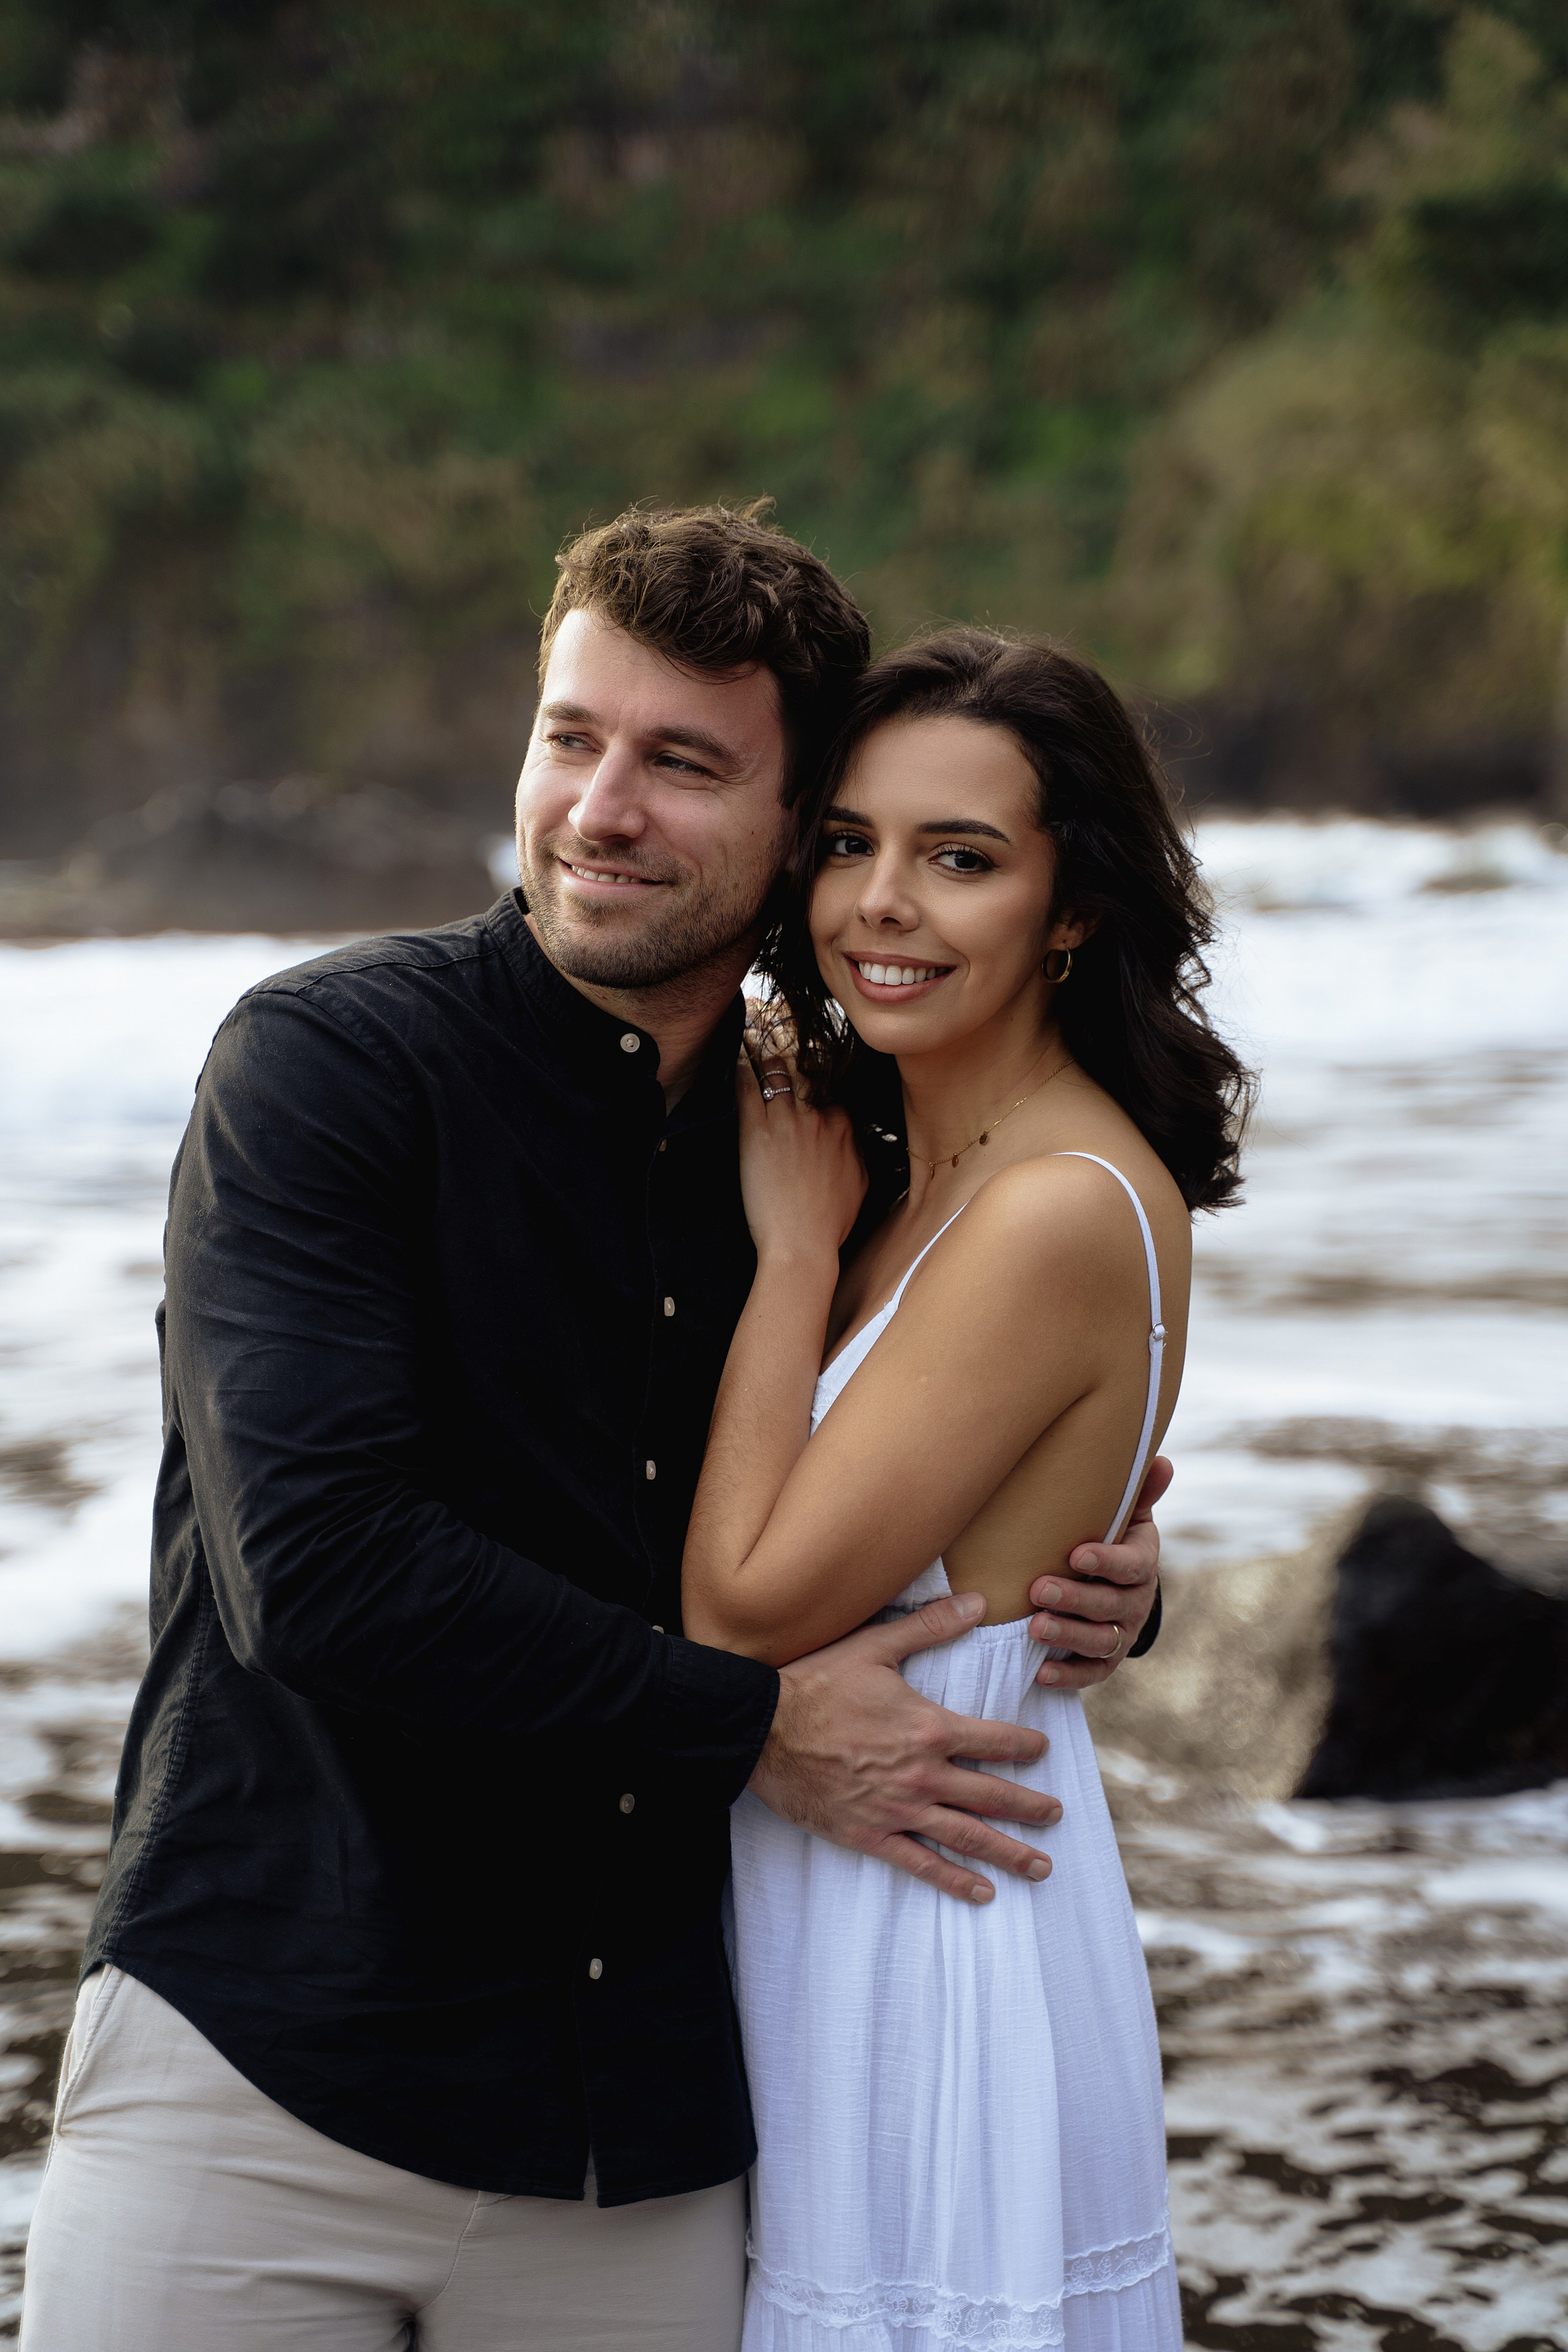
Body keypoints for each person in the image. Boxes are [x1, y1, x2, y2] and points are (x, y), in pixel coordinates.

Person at [20, 509, 1165, 2352]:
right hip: (261, 2082)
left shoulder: (839, 1159)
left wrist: (1093, 1576)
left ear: (794, 834)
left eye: (683, 763)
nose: (601, 807)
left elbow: (924, 1460)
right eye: (572, 737)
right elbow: (318, 1572)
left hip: (641, 2149)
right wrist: (753, 1728)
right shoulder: (326, 1069)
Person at [683, 627, 1252, 2351]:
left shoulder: (1050, 1207)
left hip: (927, 1914)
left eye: (961, 859)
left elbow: (744, 1608)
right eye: (850, 843)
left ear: (1072, 909)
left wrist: (789, 1262)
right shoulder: (911, 1159)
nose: (881, 906)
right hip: (855, 1871)